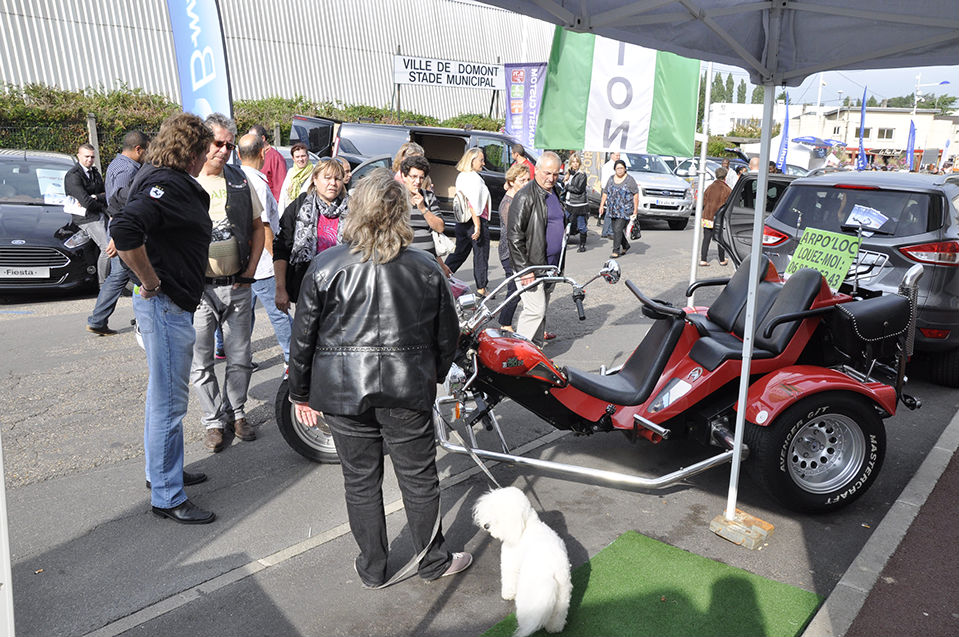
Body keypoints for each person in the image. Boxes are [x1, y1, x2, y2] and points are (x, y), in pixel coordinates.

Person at [288, 168, 469, 587]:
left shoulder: (326, 265)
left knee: (360, 480)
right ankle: (432, 561)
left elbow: (303, 339)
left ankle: (373, 567)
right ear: (400, 213)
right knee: (418, 477)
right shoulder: (425, 267)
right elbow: (448, 336)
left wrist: (300, 393)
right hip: (406, 388)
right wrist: (433, 375)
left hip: (343, 391)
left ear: (356, 210)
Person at [111, 112, 216, 524]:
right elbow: (125, 230)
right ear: (189, 152)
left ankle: (163, 473)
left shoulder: (161, 178)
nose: (205, 159)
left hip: (168, 304)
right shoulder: (165, 184)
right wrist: (150, 280)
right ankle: (168, 495)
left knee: (162, 399)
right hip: (165, 304)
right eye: (204, 151)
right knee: (169, 404)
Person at [192, 114, 265, 453]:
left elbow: (258, 228)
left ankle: (236, 413)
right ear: (203, 142)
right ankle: (212, 421)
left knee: (239, 357)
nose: (223, 150)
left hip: (238, 285)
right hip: (199, 291)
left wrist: (249, 272)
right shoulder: (187, 179)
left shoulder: (239, 179)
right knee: (201, 361)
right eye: (217, 143)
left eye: (229, 145)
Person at [86, 130, 149, 335]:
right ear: (138, 149)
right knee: (136, 276)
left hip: (119, 230)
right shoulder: (127, 170)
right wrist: (116, 237)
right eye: (146, 150)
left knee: (120, 276)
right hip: (122, 231)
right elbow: (120, 203)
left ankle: (98, 320)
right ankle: (142, 320)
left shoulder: (117, 163)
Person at [238, 133, 292, 370]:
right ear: (262, 153)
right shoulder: (257, 183)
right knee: (279, 312)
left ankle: (238, 357)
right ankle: (293, 357)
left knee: (243, 316)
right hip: (262, 263)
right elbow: (265, 227)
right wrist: (276, 260)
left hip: (245, 261)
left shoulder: (237, 178)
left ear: (238, 154)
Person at [273, 157, 348, 313]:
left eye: (337, 179)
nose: (333, 183)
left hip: (343, 290)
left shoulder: (353, 209)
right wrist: (280, 288)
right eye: (327, 178)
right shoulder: (299, 207)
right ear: (315, 179)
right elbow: (281, 249)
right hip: (307, 289)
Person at [507, 151, 565, 345]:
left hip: (550, 264)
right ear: (537, 170)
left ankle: (536, 350)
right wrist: (524, 269)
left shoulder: (555, 191)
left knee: (541, 310)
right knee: (535, 310)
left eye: (555, 174)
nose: (551, 178)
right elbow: (514, 235)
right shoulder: (525, 196)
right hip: (531, 265)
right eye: (547, 173)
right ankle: (519, 353)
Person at [445, 148, 491, 296]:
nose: (483, 163)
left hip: (462, 222)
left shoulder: (461, 176)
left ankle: (441, 274)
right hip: (475, 220)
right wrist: (478, 226)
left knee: (459, 253)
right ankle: (481, 288)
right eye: (481, 160)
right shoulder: (474, 178)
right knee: (481, 255)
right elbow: (473, 204)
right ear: (472, 160)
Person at [64, 143, 110, 284]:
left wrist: (96, 197)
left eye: (92, 157)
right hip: (86, 218)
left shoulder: (94, 172)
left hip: (99, 214)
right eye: (86, 156)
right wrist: (100, 204)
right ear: (78, 156)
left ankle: (112, 281)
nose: (90, 160)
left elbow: (106, 193)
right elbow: (86, 202)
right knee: (107, 249)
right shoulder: (73, 176)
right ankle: (104, 285)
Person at [399, 155, 449, 274]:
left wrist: (423, 208)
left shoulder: (428, 197)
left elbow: (440, 228)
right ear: (404, 176)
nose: (418, 182)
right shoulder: (396, 197)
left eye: (421, 178)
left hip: (428, 262)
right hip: (404, 262)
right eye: (414, 177)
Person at [497, 162, 530, 331]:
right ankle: (505, 323)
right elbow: (514, 232)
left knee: (525, 289)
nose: (526, 183)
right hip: (510, 251)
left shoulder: (518, 198)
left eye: (528, 180)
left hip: (517, 251)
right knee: (515, 288)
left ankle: (534, 324)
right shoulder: (508, 203)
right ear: (511, 181)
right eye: (522, 180)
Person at [598, 159, 639, 258]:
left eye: (621, 168)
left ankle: (615, 250)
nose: (620, 170)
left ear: (625, 169)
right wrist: (601, 205)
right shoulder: (611, 179)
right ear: (615, 169)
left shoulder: (630, 180)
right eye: (617, 168)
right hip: (613, 209)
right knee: (616, 229)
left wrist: (635, 210)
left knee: (617, 229)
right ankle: (625, 245)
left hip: (625, 210)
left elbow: (636, 195)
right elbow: (605, 192)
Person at [700, 166, 731, 267]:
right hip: (719, 218)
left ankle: (703, 259)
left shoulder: (709, 187)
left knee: (706, 238)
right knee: (720, 239)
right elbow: (728, 205)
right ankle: (721, 260)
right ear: (725, 177)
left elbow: (703, 202)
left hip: (707, 216)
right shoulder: (727, 189)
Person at [249, 124, 287, 202]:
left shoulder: (276, 158)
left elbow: (280, 189)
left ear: (263, 138)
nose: (250, 141)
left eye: (253, 138)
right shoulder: (253, 155)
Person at [563, 152, 590, 252]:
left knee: (581, 225)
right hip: (569, 202)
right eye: (573, 162)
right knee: (563, 222)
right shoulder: (569, 173)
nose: (575, 164)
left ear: (579, 163)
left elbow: (579, 189)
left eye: (577, 162)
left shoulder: (582, 175)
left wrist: (566, 185)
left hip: (579, 204)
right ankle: (563, 241)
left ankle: (582, 245)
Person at [277, 142, 313, 214]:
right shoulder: (290, 172)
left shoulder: (314, 173)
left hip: (307, 213)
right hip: (291, 214)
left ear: (308, 156)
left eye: (303, 156)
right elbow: (283, 196)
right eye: (297, 157)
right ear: (293, 158)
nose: (300, 159)